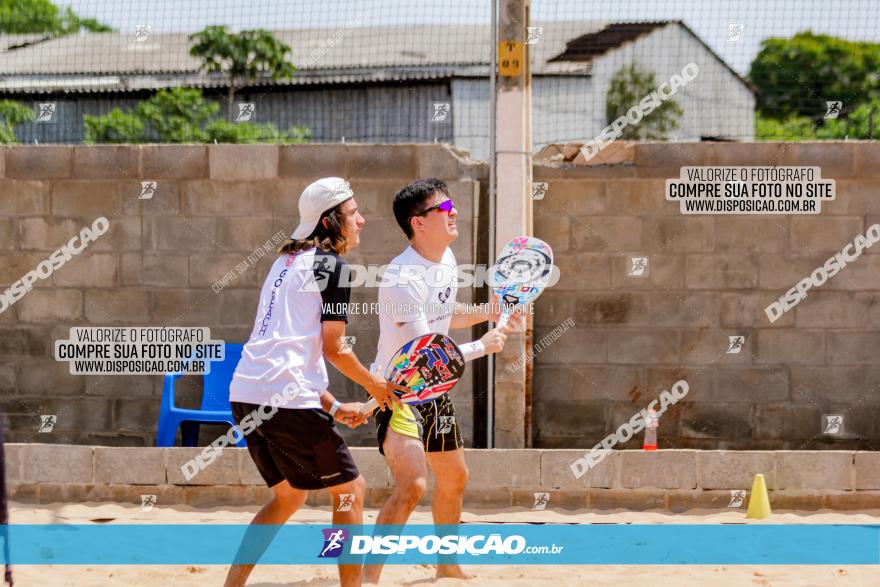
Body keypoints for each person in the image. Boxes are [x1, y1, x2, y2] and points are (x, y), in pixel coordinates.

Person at [224, 177, 400, 587]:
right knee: (350, 492)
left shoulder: (281, 264)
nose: (362, 220)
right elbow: (334, 348)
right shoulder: (332, 268)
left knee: (288, 496)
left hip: (246, 394)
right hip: (283, 401)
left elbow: (284, 353)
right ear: (329, 220)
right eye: (354, 213)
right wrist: (376, 386)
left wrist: (335, 407)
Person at [363, 178, 519, 583]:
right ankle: (367, 578)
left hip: (434, 392)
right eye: (445, 209)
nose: (455, 214)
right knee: (413, 485)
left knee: (455, 477)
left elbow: (443, 319)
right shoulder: (401, 278)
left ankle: (447, 564)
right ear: (419, 223)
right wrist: (483, 347)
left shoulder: (446, 261)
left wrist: (487, 311)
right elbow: (424, 355)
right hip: (397, 393)